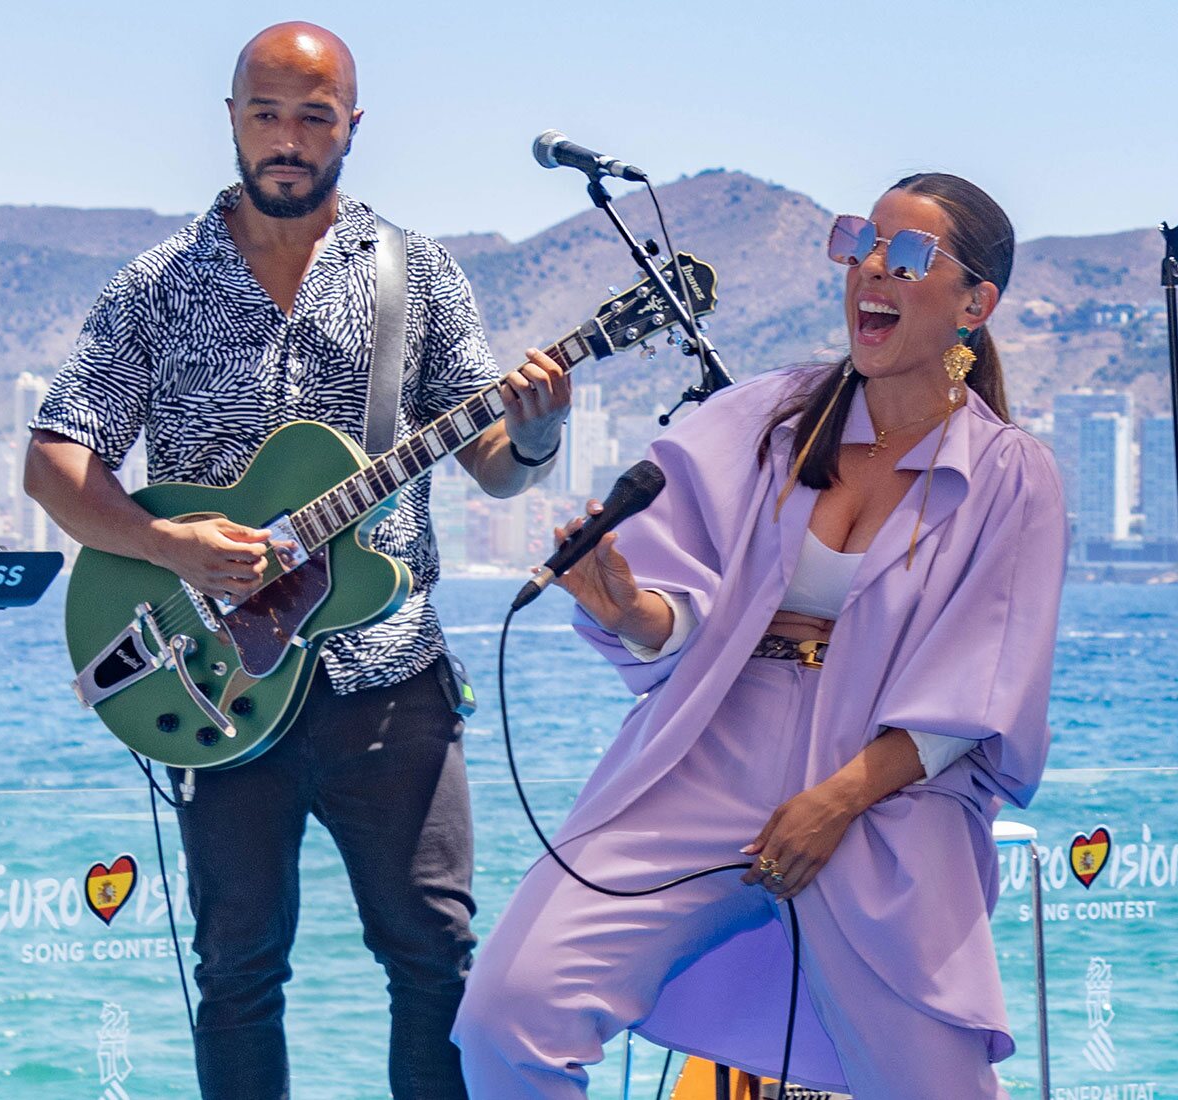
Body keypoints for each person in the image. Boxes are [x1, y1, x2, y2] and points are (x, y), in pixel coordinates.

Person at [23, 23, 570, 1099]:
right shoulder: (157, 286)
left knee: (434, 961)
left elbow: (497, 468)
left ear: (350, 128)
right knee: (235, 972)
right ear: (230, 117)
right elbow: (54, 461)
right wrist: (166, 540)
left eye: (313, 117)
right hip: (213, 679)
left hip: (389, 679)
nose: (287, 138)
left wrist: (541, 428)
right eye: (266, 112)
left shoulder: (416, 278)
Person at [455, 173, 1067, 1099]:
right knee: (506, 1021)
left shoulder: (1011, 474)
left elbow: (981, 690)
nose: (871, 268)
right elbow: (684, 615)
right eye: (861, 241)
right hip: (709, 751)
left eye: (907, 256)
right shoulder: (771, 418)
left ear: (974, 304)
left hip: (883, 794)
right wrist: (627, 610)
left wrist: (835, 804)